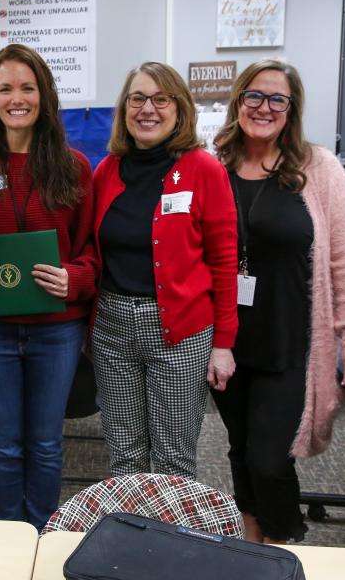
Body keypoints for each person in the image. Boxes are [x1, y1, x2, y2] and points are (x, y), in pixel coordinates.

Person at [212, 58, 345, 543]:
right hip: (228, 341)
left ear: (291, 110)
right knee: (240, 449)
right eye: (254, 95)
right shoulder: (216, 165)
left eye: (278, 99)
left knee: (269, 459)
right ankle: (253, 544)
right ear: (238, 101)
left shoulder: (318, 168)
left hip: (291, 341)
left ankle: (287, 545)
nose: (264, 107)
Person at [0, 44, 98, 530]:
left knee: (47, 444)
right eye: (5, 88)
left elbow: (92, 252)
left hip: (56, 330)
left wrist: (75, 278)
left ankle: (44, 536)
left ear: (44, 96)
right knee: (4, 445)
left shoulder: (74, 167)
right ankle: (8, 539)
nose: (17, 98)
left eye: (27, 87)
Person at [92, 62, 238, 480]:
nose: (148, 109)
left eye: (161, 98)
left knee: (174, 460)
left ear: (179, 109)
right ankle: (131, 541)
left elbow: (225, 262)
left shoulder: (204, 169)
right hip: (113, 328)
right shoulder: (107, 170)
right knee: (124, 458)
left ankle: (169, 545)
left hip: (181, 330)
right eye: (137, 98)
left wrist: (223, 343)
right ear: (124, 109)